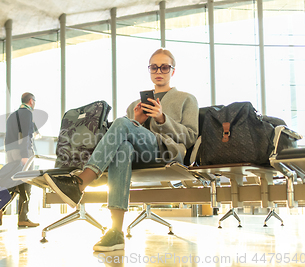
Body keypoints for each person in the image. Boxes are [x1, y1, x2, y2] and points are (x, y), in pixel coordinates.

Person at [44, 48, 198, 251]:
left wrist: (162, 119)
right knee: (123, 147)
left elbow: (190, 137)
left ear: (173, 71)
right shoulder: (136, 104)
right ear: (149, 70)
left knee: (121, 123)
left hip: (165, 151)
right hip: (137, 152)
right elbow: (124, 135)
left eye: (164, 67)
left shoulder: (187, 99)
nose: (159, 71)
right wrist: (137, 122)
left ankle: (81, 182)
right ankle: (116, 231)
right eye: (154, 67)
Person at [0, 92, 40, 228]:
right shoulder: (27, 113)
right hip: (23, 152)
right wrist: (25, 154)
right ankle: (23, 218)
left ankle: (0, 207)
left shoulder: (12, 116)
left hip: (11, 152)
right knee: (26, 183)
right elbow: (26, 135)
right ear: (31, 101)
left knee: (15, 182)